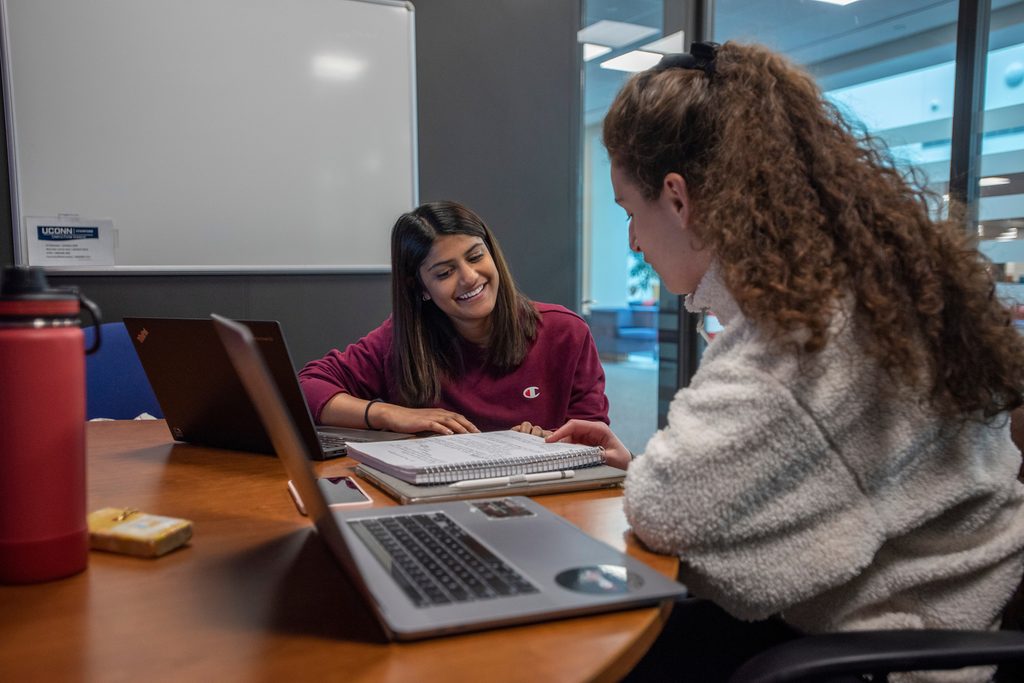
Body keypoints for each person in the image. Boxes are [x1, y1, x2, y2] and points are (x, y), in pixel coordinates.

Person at [548, 41, 1024, 682]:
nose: (633, 239)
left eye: (631, 212)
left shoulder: (793, 345)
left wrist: (661, 463)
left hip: (896, 654)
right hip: (954, 606)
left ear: (679, 199)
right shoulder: (864, 290)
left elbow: (664, 509)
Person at [299, 200, 609, 436]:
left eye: (476, 257)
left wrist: (551, 442)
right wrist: (386, 413)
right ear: (419, 286)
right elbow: (308, 387)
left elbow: (594, 439)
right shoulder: (403, 338)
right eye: (445, 273)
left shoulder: (564, 332)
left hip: (544, 502)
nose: (470, 278)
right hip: (438, 501)